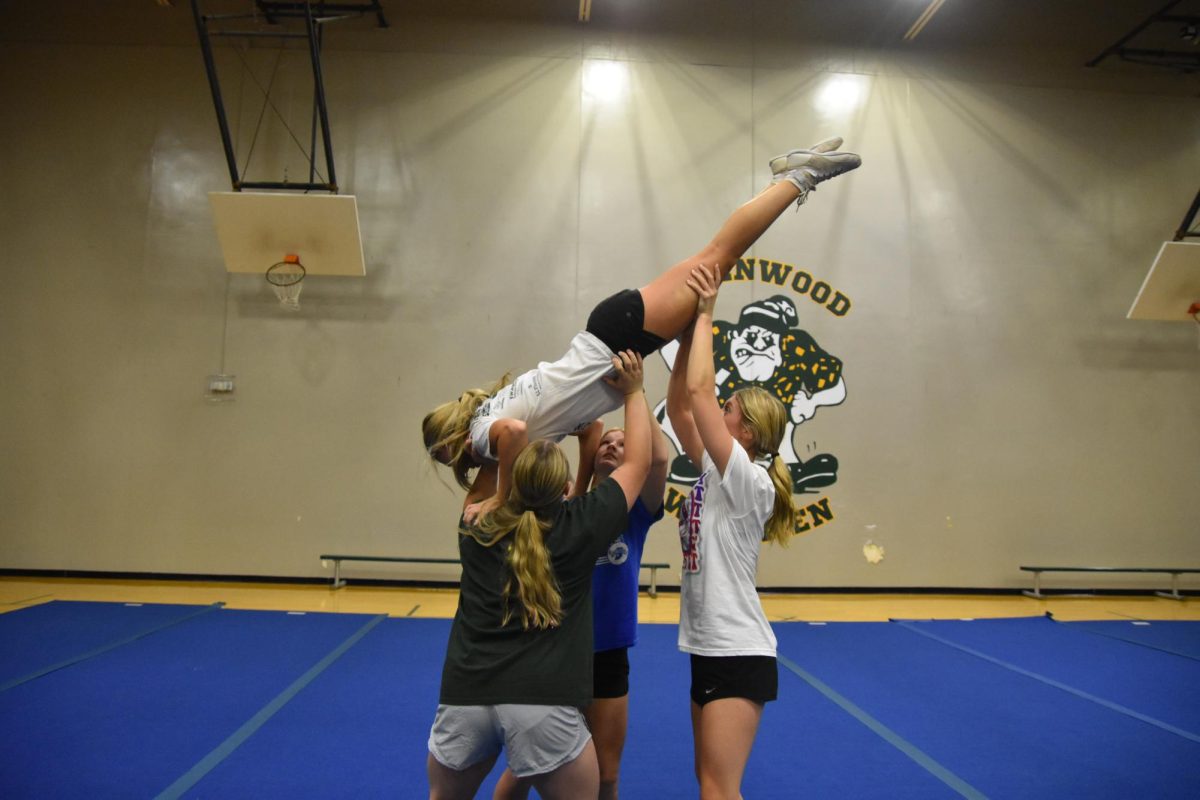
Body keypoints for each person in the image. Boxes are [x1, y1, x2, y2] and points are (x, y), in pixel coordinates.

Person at [422, 139, 861, 524]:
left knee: (719, 257)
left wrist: (500, 497)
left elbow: (512, 439)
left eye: (455, 458)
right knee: (717, 259)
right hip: (613, 336)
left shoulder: (486, 436)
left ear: (459, 439)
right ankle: (788, 178)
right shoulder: (491, 423)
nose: (464, 465)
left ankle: (800, 177)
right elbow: (591, 427)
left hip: (614, 337)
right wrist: (578, 489)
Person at [427, 351, 653, 800]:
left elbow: (501, 452)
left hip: (466, 697)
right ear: (565, 488)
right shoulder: (580, 524)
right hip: (543, 705)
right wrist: (634, 392)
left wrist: (487, 417)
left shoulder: (475, 523)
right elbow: (638, 464)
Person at [665, 264, 800, 799]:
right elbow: (681, 406)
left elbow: (699, 392)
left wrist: (704, 313)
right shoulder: (715, 473)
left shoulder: (751, 480)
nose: (718, 412)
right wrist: (680, 344)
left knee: (720, 790)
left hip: (737, 651)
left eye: (728, 410)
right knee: (710, 785)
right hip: (710, 646)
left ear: (746, 432)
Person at [493, 415, 671, 800]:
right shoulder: (568, 512)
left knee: (607, 775)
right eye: (607, 442)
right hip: (556, 651)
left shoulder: (636, 512)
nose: (612, 445)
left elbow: (657, 461)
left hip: (607, 656)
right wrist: (590, 442)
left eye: (623, 444)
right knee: (525, 767)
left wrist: (634, 396)